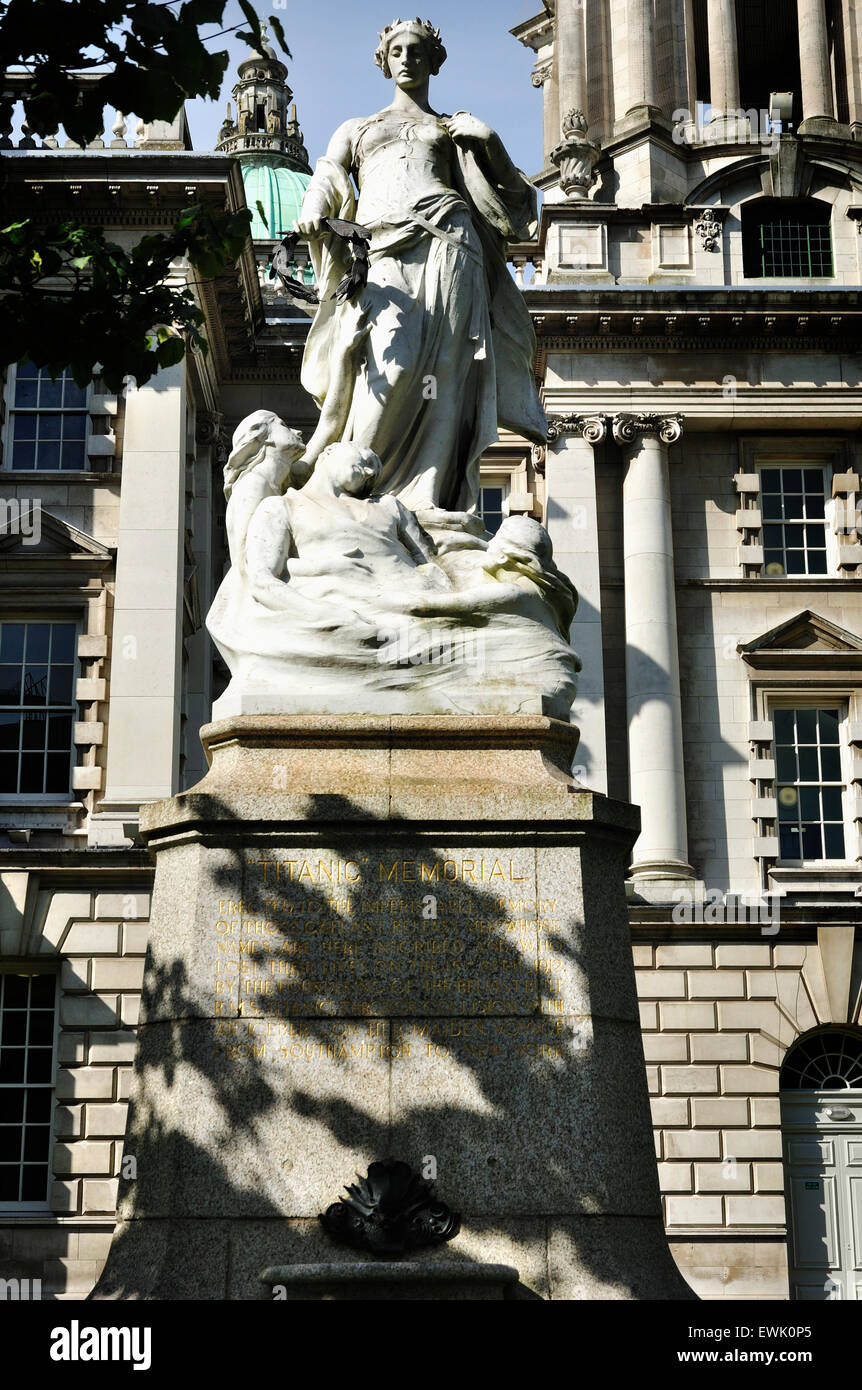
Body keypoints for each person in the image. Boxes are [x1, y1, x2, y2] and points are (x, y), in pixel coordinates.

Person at [294, 17, 547, 518]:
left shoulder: (451, 129)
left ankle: (428, 500)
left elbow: (517, 205)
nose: (406, 58)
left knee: (446, 373)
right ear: (384, 61)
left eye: (416, 50)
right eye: (397, 51)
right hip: (380, 250)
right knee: (395, 364)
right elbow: (329, 172)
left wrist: (489, 140)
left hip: (451, 246)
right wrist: (313, 206)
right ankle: (350, 490)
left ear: (433, 60)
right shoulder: (359, 127)